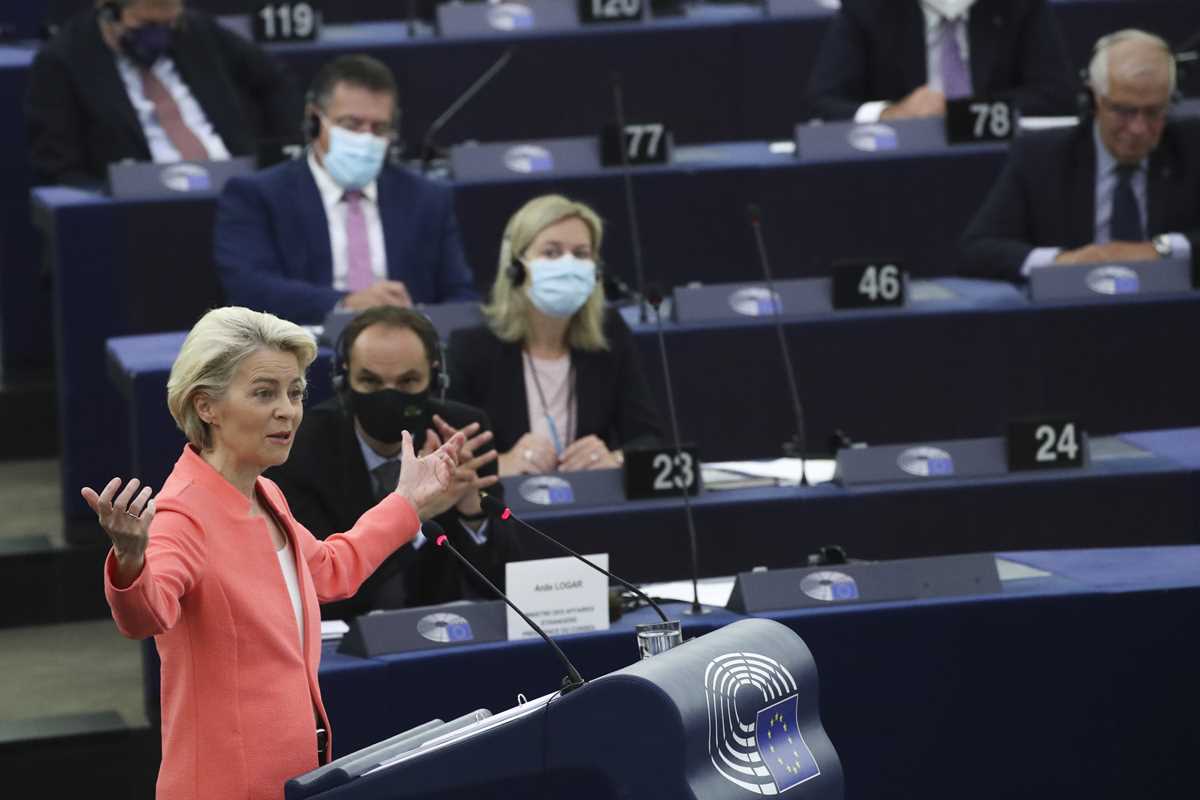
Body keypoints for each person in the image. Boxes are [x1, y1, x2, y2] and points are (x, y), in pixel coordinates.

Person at [82, 306, 462, 799]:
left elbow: (329, 571)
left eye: (295, 392)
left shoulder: (265, 493)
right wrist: (131, 561)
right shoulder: (182, 514)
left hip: (293, 777)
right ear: (206, 406)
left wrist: (407, 504)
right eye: (265, 393)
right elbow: (146, 613)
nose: (288, 410)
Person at [268, 306, 522, 618]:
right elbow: (324, 590)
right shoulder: (302, 447)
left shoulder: (460, 433)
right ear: (343, 381)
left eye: (408, 382)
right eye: (371, 382)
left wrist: (473, 512)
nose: (389, 398)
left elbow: (505, 582)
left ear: (436, 379)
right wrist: (414, 514)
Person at [214, 54, 477, 325]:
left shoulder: (427, 199)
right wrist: (346, 303)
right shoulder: (257, 196)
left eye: (379, 128)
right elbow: (248, 288)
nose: (365, 137)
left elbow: (461, 297)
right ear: (314, 119)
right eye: (351, 124)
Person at [448, 194, 663, 477]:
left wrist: (617, 460)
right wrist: (501, 464)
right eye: (551, 252)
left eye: (581, 254)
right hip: (506, 513)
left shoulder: (610, 335)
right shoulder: (472, 348)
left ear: (595, 271)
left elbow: (648, 439)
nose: (568, 264)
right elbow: (446, 457)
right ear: (516, 268)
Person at [961, 30, 1200, 283]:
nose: (1138, 128)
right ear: (1093, 99)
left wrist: (1161, 250)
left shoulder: (1191, 147)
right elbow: (976, 250)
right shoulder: (1042, 157)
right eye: (1123, 111)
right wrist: (1061, 262)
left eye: (1153, 111)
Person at [26, 0, 298, 186]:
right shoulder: (63, 61)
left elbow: (275, 82)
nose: (158, 37)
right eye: (146, 27)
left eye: (168, 25)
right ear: (107, 13)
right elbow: (56, 167)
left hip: (236, 184)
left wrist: (277, 158)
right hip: (142, 206)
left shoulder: (197, 30)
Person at [803, 0, 1076, 123]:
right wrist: (891, 114)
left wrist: (968, 115)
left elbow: (1057, 94)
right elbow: (823, 101)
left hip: (1003, 160)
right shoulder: (869, 7)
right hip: (901, 166)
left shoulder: (1017, 5)